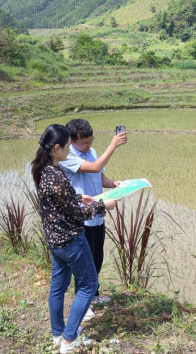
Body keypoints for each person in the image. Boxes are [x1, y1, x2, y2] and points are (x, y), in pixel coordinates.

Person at [31, 124, 117, 354]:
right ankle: (69, 340)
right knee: (88, 285)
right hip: (71, 240)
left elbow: (60, 201)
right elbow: (76, 214)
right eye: (69, 146)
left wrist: (80, 197)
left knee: (58, 287)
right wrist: (102, 205)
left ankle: (57, 334)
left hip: (55, 240)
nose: (71, 150)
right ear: (57, 148)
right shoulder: (56, 175)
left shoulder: (45, 170)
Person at [59, 119, 127, 317]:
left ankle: (94, 295)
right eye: (84, 143)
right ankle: (83, 302)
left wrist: (112, 183)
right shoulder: (68, 156)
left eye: (91, 141)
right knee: (84, 264)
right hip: (82, 218)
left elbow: (100, 175)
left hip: (97, 215)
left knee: (97, 258)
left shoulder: (93, 152)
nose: (89, 145)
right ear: (71, 141)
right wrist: (113, 145)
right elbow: (95, 168)